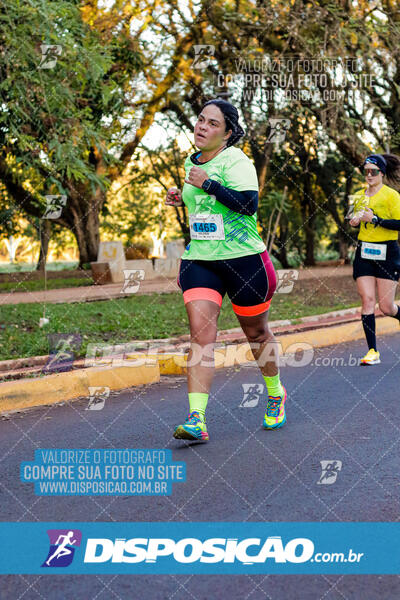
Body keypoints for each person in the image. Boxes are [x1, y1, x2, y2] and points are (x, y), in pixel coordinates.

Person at [165, 98, 286, 442]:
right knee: (201, 336)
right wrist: (183, 196)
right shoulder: (192, 161)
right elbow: (205, 204)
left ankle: (275, 393)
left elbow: (248, 205)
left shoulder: (237, 161)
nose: (201, 126)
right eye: (200, 119)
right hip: (201, 260)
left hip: (245, 261)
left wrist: (208, 185)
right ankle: (196, 419)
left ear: (228, 133)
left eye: (212, 123)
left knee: (257, 334)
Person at [349, 153, 400, 365]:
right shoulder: (358, 195)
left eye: (374, 171)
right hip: (364, 253)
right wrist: (354, 220)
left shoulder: (392, 196)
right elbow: (352, 220)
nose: (369, 175)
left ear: (382, 173)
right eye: (366, 171)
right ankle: (372, 351)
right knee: (367, 301)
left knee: (386, 307)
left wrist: (376, 219)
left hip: (387, 252)